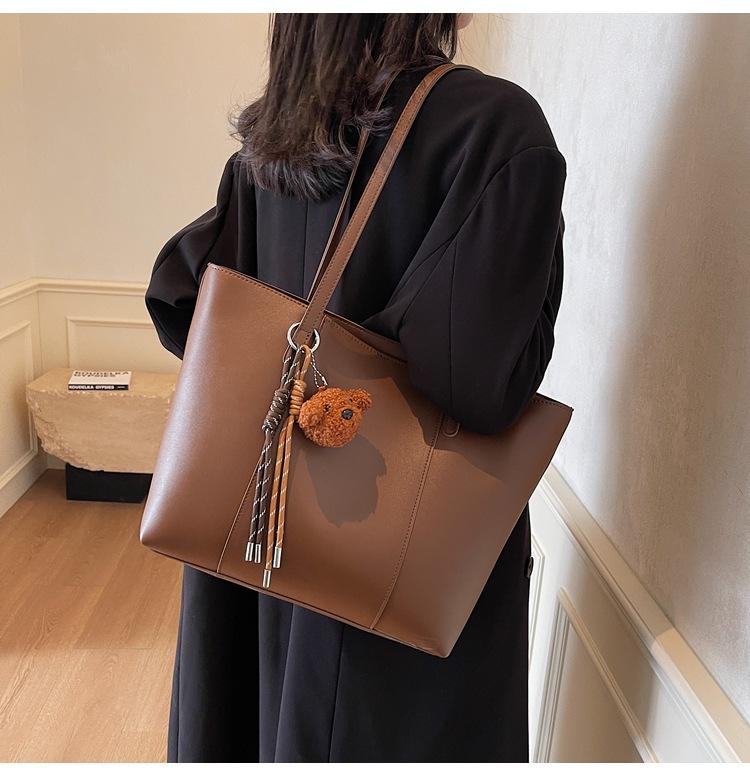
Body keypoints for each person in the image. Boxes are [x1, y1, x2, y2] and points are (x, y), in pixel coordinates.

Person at [145, 13, 566, 763]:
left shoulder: (275, 137)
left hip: (256, 533)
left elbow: (189, 307)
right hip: (391, 566)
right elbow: (477, 383)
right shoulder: (493, 129)